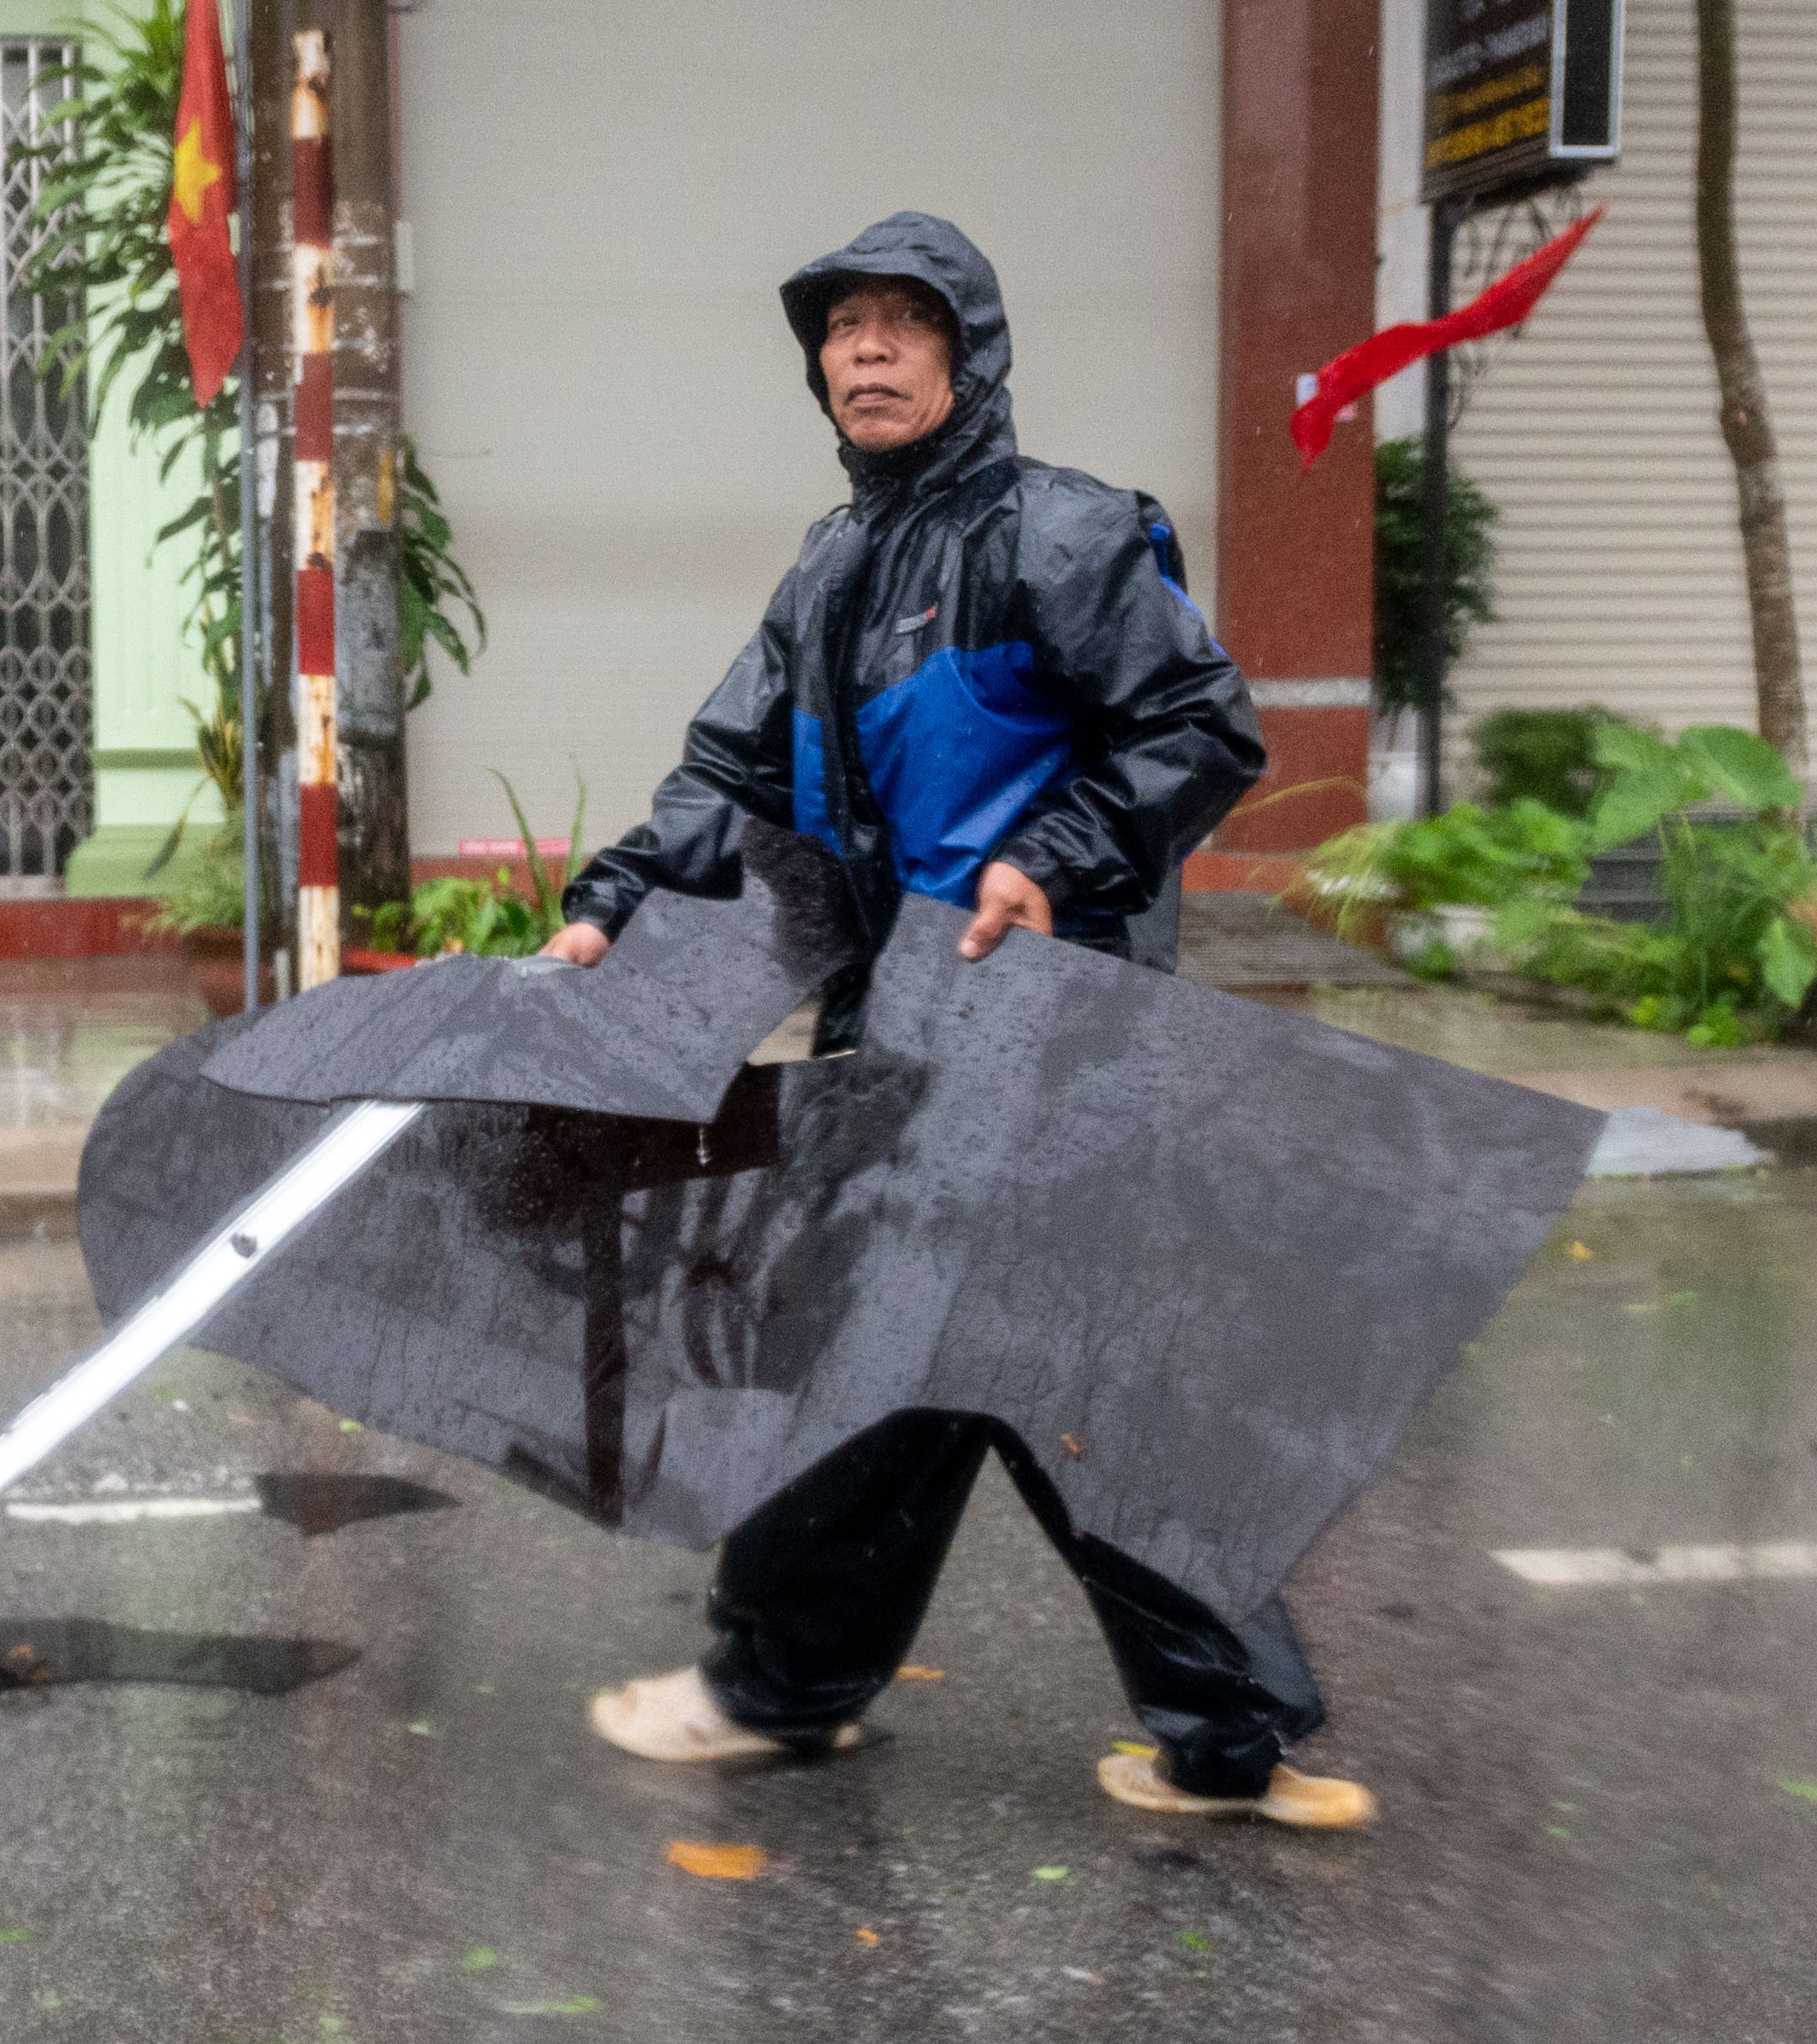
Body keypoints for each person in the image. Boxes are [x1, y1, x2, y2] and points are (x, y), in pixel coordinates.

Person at [544, 212, 1372, 1830]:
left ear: (967, 355)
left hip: (1048, 1028)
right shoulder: (831, 563)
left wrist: (1049, 861)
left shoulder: (1057, 535)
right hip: (900, 1027)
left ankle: (807, 1689)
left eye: (900, 325)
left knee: (930, 1368)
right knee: (947, 1374)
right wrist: (616, 901)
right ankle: (1211, 1729)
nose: (865, 351)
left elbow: (1204, 725)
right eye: (841, 329)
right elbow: (728, 770)